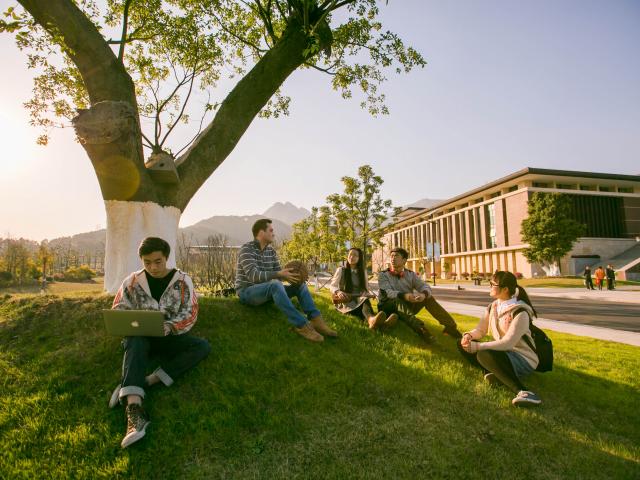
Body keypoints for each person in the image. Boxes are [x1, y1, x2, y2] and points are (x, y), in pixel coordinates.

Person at [109, 237, 211, 448]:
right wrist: (131, 323)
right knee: (135, 340)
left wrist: (171, 326)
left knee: (202, 346)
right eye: (147, 262)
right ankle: (135, 413)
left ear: (167, 258)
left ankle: (144, 381)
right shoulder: (132, 282)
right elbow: (118, 308)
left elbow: (191, 312)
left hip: (170, 338)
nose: (153, 267)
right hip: (140, 338)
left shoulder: (183, 281)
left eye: (158, 261)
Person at [235, 219, 336, 342]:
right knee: (275, 285)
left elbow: (278, 274)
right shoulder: (246, 249)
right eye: (271, 230)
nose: (274, 233)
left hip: (268, 290)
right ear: (261, 233)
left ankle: (316, 320)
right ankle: (301, 325)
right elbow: (253, 276)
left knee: (300, 286)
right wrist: (278, 274)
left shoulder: (271, 251)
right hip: (247, 292)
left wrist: (293, 276)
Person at [458, 271, 542, 407]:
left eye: (493, 284)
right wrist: (468, 336)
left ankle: (525, 392)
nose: (490, 286)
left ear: (505, 289)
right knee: (461, 344)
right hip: (503, 353)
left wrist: (478, 346)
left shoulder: (520, 312)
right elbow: (481, 330)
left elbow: (508, 343)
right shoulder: (493, 306)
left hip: (522, 359)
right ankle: (496, 373)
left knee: (483, 353)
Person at [377, 247, 462, 344]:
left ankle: (450, 327)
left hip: (406, 307)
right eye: (391, 256)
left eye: (396, 256)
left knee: (428, 298)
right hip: (387, 307)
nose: (393, 258)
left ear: (404, 260)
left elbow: (424, 286)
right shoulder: (383, 275)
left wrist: (423, 295)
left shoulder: (410, 274)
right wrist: (405, 296)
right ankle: (422, 330)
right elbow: (388, 292)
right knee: (397, 300)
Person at [329, 247, 393, 329]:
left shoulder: (362, 272)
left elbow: (365, 290)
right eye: (350, 254)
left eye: (355, 255)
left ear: (359, 259)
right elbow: (332, 285)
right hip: (346, 301)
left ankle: (376, 322)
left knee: (364, 301)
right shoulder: (341, 270)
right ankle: (377, 322)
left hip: (358, 300)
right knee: (364, 303)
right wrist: (338, 292)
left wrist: (369, 295)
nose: (351, 257)